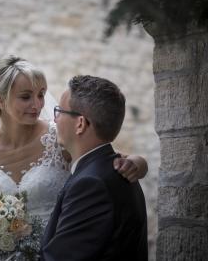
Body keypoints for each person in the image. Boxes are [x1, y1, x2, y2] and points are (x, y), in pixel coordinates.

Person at [0, 55, 148, 261]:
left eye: (41, 95)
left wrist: (138, 164)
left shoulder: (59, 136)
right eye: (26, 97)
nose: (37, 105)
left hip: (59, 248)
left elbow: (104, 162)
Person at [40, 75, 148, 261]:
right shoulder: (117, 169)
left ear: (80, 123)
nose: (55, 119)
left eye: (60, 111)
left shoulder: (91, 184)